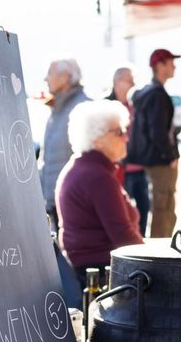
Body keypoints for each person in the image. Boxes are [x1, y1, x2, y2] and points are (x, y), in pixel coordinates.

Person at [56, 100, 143, 290]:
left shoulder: (84, 167)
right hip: (103, 275)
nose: (126, 138)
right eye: (119, 132)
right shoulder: (97, 177)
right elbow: (124, 237)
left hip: (89, 270)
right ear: (97, 139)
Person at [40, 58, 89, 303]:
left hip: (72, 202)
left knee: (73, 265)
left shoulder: (81, 108)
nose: (45, 79)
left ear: (66, 76)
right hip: (52, 199)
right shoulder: (55, 109)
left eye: (50, 73)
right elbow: (48, 159)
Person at [127, 48, 180, 237]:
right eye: (170, 62)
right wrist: (170, 155)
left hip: (150, 160)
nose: (174, 66)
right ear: (160, 65)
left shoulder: (148, 92)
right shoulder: (157, 94)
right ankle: (161, 253)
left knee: (160, 207)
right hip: (161, 162)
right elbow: (157, 131)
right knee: (163, 209)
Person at [106, 66, 150, 235]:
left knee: (143, 210)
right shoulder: (106, 106)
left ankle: (142, 243)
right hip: (118, 170)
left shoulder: (136, 104)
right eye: (129, 80)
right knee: (121, 213)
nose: (133, 84)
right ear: (117, 82)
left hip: (139, 167)